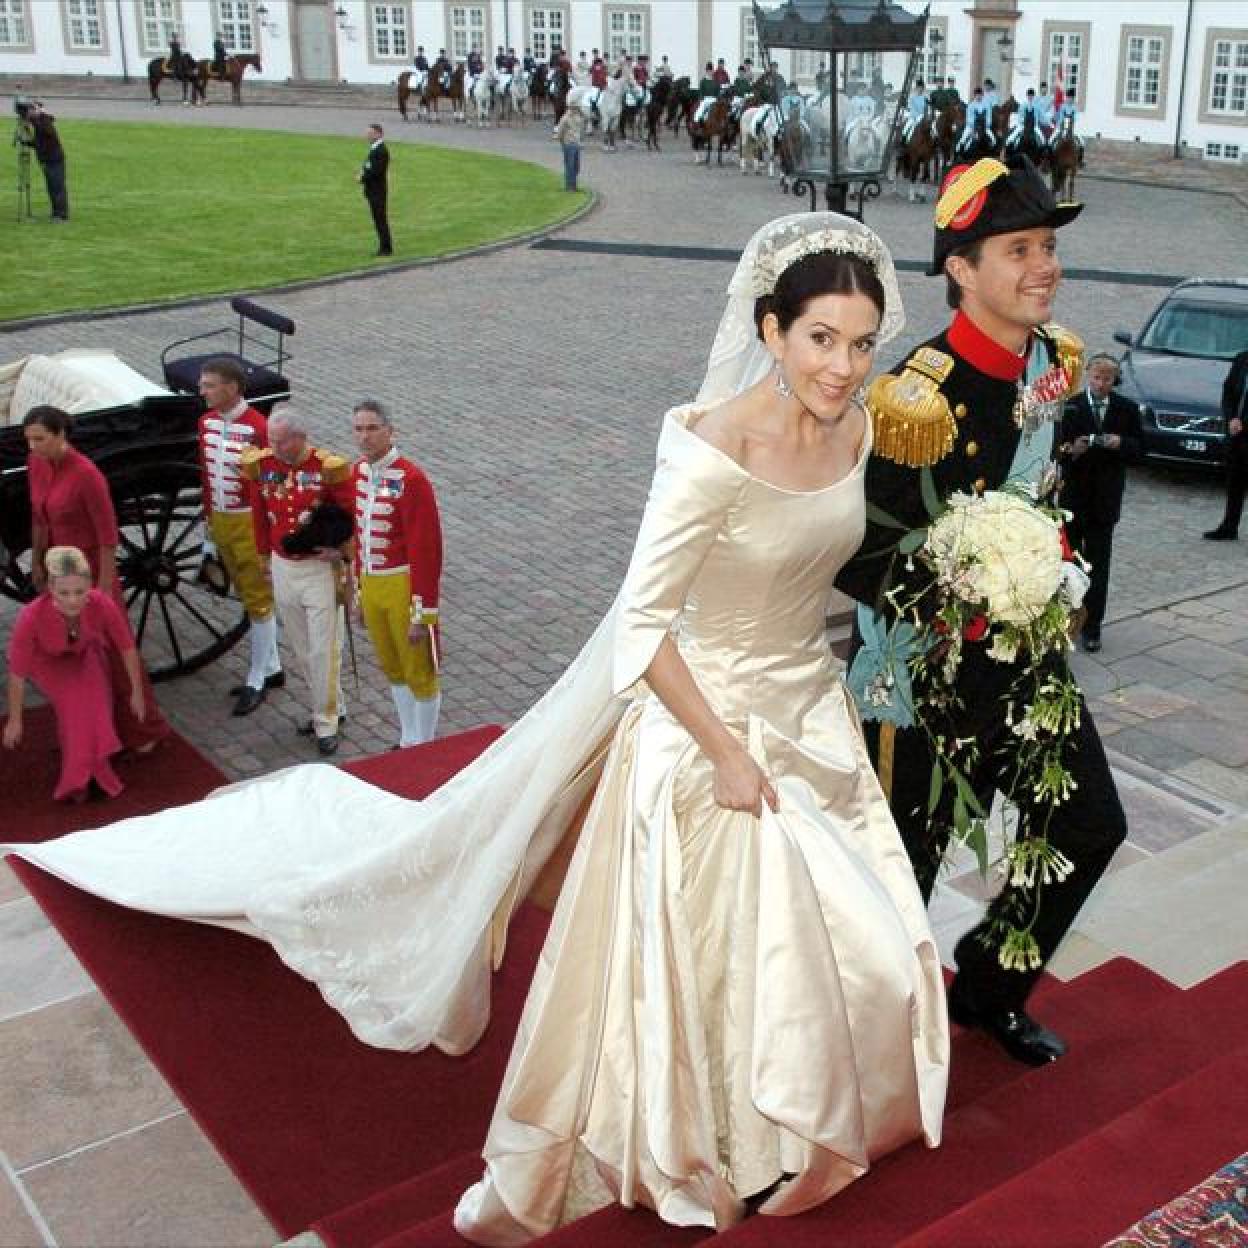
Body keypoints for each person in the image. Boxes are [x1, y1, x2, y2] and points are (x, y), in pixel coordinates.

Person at [9, 215, 948, 1240]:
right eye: (821, 338)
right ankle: (723, 1141)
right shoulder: (713, 447)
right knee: (744, 947)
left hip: (811, 713)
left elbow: (827, 564)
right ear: (771, 331)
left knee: (844, 938)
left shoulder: (858, 430)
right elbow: (642, 625)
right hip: (704, 729)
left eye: (862, 343)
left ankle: (803, 1126)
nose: (844, 366)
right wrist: (724, 752)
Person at [835, 156, 1129, 1066]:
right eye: (1019, 248)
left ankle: (989, 987)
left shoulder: (1055, 361)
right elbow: (855, 550)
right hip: (917, 679)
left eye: (1047, 245)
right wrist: (966, 591)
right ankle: (861, 1051)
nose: (1044, 264)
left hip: (1021, 658)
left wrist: (1053, 560)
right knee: (900, 876)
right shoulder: (914, 396)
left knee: (1087, 825)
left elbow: (1044, 488)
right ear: (962, 269)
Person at [23, 405, 168, 753]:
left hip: (90, 573)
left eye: (40, 439)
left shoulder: (87, 475)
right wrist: (39, 562)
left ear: (61, 435)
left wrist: (102, 589)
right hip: (61, 570)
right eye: (28, 440)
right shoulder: (37, 465)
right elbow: (40, 519)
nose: (33, 447)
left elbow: (107, 536)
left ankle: (141, 727)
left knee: (113, 652)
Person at [242, 410, 353, 756]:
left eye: (279, 441)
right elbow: (259, 514)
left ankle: (325, 721)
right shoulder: (262, 466)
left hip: (319, 570)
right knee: (303, 648)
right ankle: (335, 705)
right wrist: (263, 559)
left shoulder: (328, 468)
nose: (272, 447)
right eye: (270, 441)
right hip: (283, 566)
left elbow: (352, 515)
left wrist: (344, 553)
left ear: (300, 438)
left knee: (324, 649)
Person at [4, 547, 145, 802]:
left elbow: (126, 647)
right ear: (50, 588)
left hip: (85, 652)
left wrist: (137, 692)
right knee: (74, 710)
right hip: (47, 662)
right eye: (64, 593)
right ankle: (76, 781)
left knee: (98, 706)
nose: (72, 600)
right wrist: (15, 720)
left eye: (79, 592)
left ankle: (99, 772)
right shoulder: (31, 616)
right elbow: (17, 674)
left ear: (90, 586)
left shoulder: (101, 603)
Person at [348, 401, 443, 747]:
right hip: (373, 584)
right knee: (392, 665)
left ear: (390, 431)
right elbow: (361, 536)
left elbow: (426, 550)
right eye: (359, 429)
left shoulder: (411, 479)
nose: (364, 437)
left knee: (419, 669)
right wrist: (359, 592)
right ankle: (408, 737)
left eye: (372, 428)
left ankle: (426, 742)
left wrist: (422, 613)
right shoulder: (358, 473)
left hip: (403, 585)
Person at [196, 358, 283, 713]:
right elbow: (206, 478)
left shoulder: (259, 428)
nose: (202, 391)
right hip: (222, 519)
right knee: (249, 597)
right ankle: (273, 666)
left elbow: (272, 488)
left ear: (232, 388)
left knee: (259, 600)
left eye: (210, 385)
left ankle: (257, 677)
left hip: (250, 524)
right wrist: (209, 534)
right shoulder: (205, 424)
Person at [1059, 353, 1143, 652]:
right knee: (1066, 564)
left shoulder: (1126, 409)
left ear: (1114, 380)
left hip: (1104, 501)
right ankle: (1064, 621)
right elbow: (1056, 449)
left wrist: (1120, 443)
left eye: (1107, 379)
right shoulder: (1071, 407)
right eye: (1096, 377)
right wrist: (1072, 450)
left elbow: (1140, 449)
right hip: (1073, 499)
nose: (1101, 383)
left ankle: (1092, 627)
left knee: (1098, 567)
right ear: (1087, 375)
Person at [1204, 347, 1248, 541]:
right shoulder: (1242, 359)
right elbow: (1229, 391)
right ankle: (1229, 526)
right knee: (1235, 482)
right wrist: (1231, 418)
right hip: (1236, 435)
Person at [26, 101, 68, 222]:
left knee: (57, 187)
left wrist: (41, 114)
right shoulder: (39, 123)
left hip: (55, 160)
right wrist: (27, 142)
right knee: (51, 187)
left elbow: (48, 132)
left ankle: (62, 215)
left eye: (31, 110)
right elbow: (40, 142)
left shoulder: (45, 122)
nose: (29, 112)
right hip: (47, 160)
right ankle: (56, 213)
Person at [358, 122, 392, 257]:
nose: (368, 136)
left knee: (380, 219)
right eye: (368, 133)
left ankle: (386, 248)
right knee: (378, 219)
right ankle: (384, 246)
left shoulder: (381, 150)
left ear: (378, 134)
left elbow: (376, 171)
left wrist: (362, 177)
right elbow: (370, 166)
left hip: (377, 190)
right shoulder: (375, 149)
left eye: (370, 133)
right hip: (374, 189)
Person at [554, 99, 583, 190]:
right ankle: (570, 186)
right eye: (574, 108)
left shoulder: (578, 117)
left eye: (577, 108)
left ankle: (573, 184)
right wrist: (559, 138)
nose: (576, 109)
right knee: (570, 165)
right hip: (568, 143)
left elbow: (580, 128)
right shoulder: (565, 118)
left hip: (576, 143)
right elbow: (560, 130)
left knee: (576, 166)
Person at [903, 77, 928, 141]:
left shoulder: (924, 97)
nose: (920, 89)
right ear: (916, 88)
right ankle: (904, 140)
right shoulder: (912, 97)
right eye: (919, 88)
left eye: (921, 88)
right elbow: (911, 107)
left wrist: (924, 115)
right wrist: (914, 115)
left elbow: (926, 108)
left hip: (921, 115)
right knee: (907, 126)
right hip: (913, 115)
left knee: (916, 126)